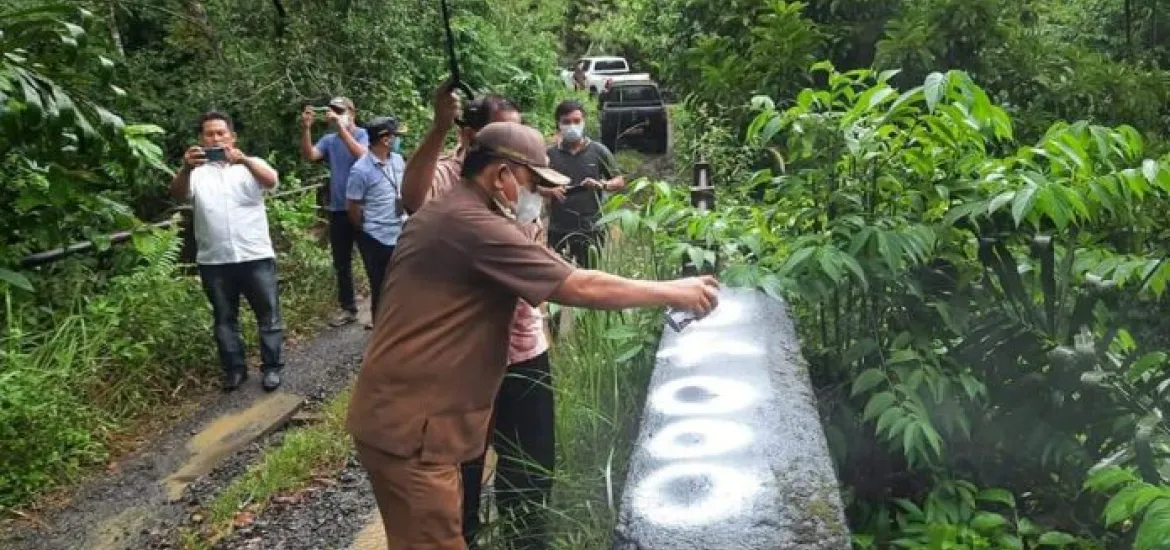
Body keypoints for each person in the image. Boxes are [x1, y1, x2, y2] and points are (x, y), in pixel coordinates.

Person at [345, 121, 720, 550]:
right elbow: (578, 285)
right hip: (413, 426)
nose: (538, 194)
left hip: (400, 415)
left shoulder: (449, 211)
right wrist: (673, 291)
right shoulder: (474, 226)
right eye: (532, 182)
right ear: (501, 174)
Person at [400, 82, 557, 549]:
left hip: (523, 346)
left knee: (531, 462)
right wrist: (437, 127)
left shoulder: (523, 181)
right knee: (461, 466)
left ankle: (526, 539)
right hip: (465, 359)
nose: (517, 150)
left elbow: (538, 249)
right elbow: (413, 198)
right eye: (504, 136)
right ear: (472, 138)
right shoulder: (449, 179)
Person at [169, 111, 284, 392]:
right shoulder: (196, 173)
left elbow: (271, 181)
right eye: (209, 134)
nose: (216, 138)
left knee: (268, 315)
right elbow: (177, 195)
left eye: (221, 133)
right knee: (224, 318)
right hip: (214, 259)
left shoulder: (251, 165)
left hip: (254, 254)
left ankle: (271, 368)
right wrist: (185, 168)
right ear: (201, 139)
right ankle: (234, 370)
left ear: (233, 136)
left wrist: (244, 160)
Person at [300, 96, 369, 327]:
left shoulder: (363, 134)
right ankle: (348, 308)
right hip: (339, 209)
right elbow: (310, 155)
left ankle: (381, 309)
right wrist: (306, 128)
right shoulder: (329, 140)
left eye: (340, 111)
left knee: (372, 259)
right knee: (341, 263)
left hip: (364, 208)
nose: (336, 115)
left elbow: (363, 156)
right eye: (333, 111)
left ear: (352, 113)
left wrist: (342, 130)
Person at [546, 99, 625, 269]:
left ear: (584, 122)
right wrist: (549, 191)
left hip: (591, 227)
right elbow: (532, 184)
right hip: (558, 228)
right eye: (566, 122)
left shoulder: (598, 151)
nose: (572, 126)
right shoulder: (550, 155)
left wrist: (601, 185)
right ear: (558, 124)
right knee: (559, 274)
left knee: (590, 274)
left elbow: (619, 181)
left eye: (576, 121)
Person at [345, 116, 407, 328]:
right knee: (380, 287)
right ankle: (381, 332)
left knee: (402, 285)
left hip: (400, 232)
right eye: (395, 136)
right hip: (376, 237)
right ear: (384, 139)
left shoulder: (398, 160)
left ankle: (400, 329)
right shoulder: (360, 170)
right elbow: (353, 205)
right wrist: (364, 229)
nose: (398, 140)